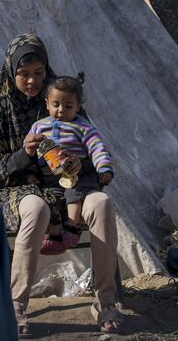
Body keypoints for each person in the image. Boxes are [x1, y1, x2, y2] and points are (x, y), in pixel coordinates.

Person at [0, 34, 123, 337]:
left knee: (101, 203)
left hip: (69, 185)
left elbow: (90, 147)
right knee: (35, 209)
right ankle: (17, 304)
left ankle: (106, 301)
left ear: (47, 71)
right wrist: (25, 153)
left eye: (38, 73)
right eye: (23, 74)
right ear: (11, 72)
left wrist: (77, 163)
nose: (32, 81)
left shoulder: (63, 96)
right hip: (20, 187)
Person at [29, 75, 114, 255]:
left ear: (78, 106)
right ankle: (55, 237)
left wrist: (104, 169)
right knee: (51, 198)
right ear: (47, 104)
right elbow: (30, 149)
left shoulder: (83, 128)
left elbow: (97, 149)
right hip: (51, 177)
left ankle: (73, 227)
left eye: (68, 106)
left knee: (75, 192)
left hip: (77, 175)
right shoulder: (38, 126)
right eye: (56, 105)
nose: (61, 110)